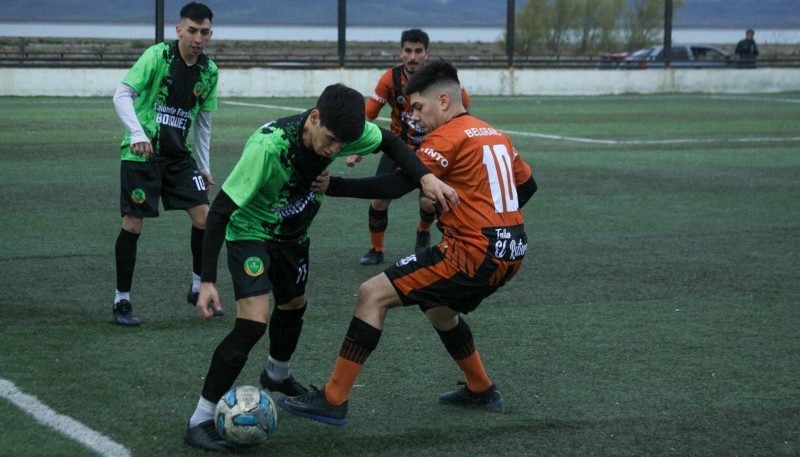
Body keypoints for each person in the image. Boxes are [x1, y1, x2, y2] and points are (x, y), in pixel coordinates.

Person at [183, 83, 458, 452]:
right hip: (250, 232)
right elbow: (218, 214)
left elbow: (392, 143)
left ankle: (277, 374)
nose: (334, 150)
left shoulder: (344, 131)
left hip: (295, 236)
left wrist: (424, 177)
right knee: (252, 322)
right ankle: (199, 419)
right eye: (329, 141)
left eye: (342, 146)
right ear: (314, 117)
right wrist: (208, 281)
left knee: (294, 305)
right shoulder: (269, 147)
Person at [277, 60, 537, 426]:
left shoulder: (446, 136)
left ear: (443, 100)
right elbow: (527, 186)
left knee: (372, 294)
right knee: (438, 306)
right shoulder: (492, 132)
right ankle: (480, 387)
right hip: (512, 249)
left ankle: (333, 399)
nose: (414, 117)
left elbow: (397, 185)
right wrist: (489, 217)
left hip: (472, 251)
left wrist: (333, 185)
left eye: (418, 107)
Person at [110, 1, 219, 326]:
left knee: (206, 218)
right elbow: (122, 94)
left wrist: (204, 164)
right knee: (133, 224)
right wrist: (137, 133)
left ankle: (199, 285)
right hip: (141, 155)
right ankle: (122, 300)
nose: (198, 38)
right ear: (179, 30)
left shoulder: (209, 71)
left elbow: (203, 122)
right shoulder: (158, 56)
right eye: (192, 30)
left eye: (204, 32)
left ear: (210, 33)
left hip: (179, 158)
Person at [349, 28, 471, 266]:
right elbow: (368, 115)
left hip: (433, 148)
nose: (413, 57)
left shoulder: (440, 80)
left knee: (428, 201)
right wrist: (357, 148)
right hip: (398, 147)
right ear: (401, 52)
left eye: (418, 51)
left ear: (427, 53)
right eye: (408, 51)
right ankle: (376, 249)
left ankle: (423, 231)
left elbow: (463, 108)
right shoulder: (390, 79)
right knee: (379, 199)